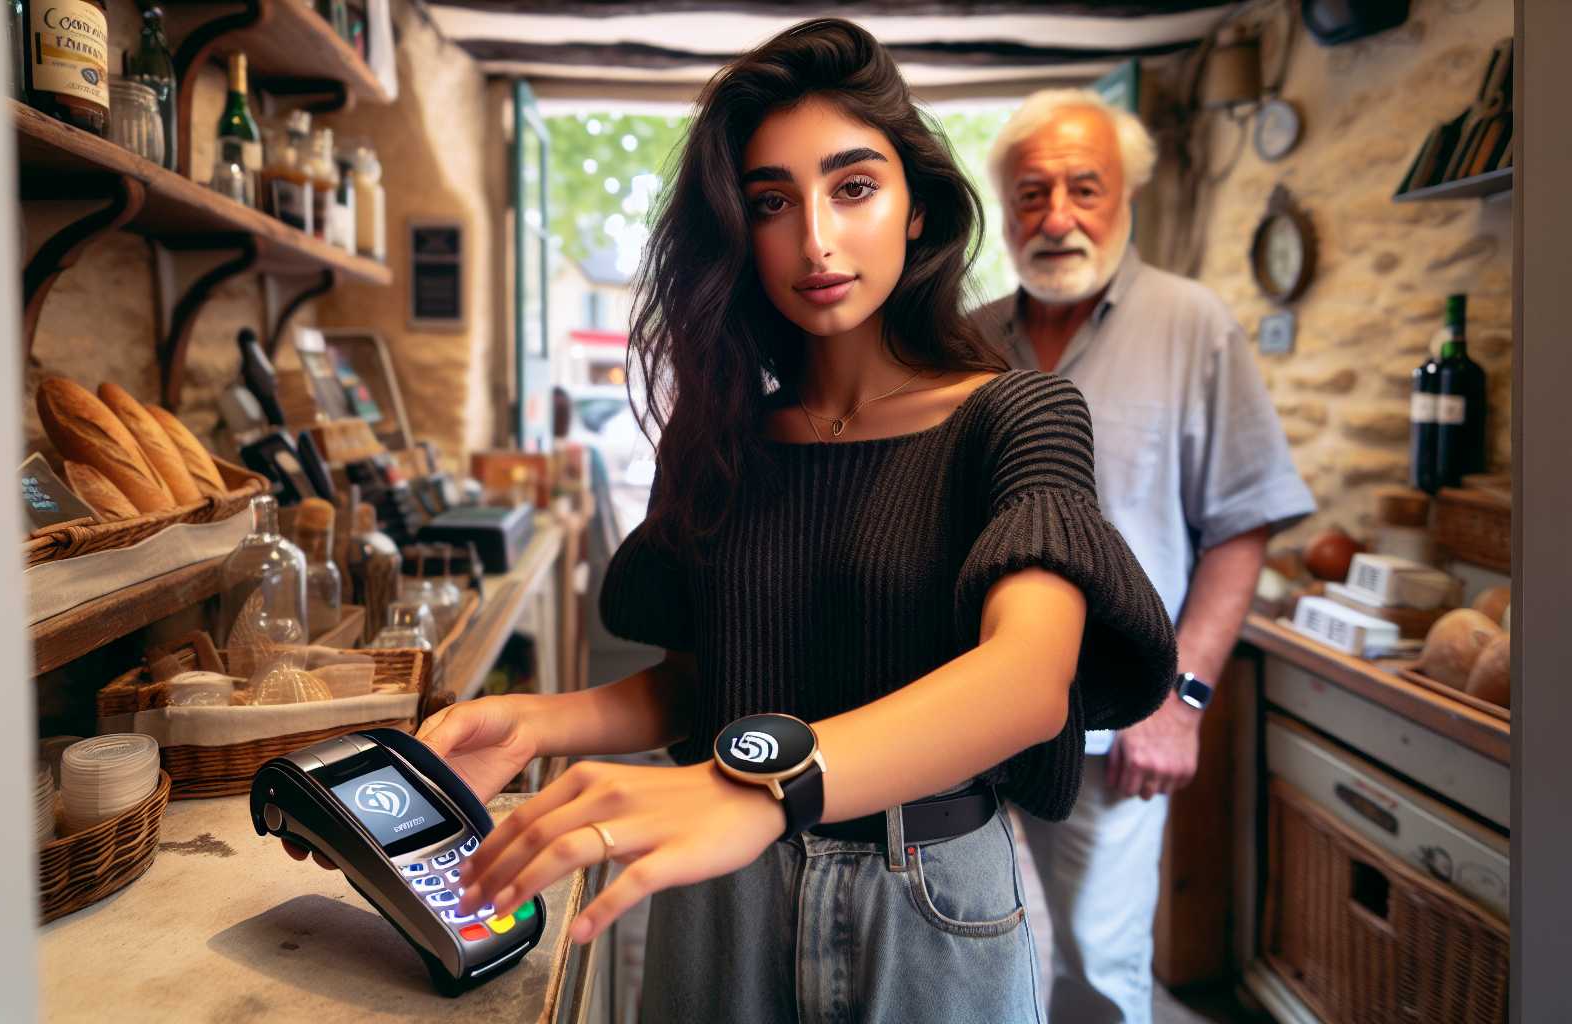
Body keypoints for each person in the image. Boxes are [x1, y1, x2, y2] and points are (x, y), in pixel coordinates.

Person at [291, 23, 1176, 1021]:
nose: (815, 238)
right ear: (737, 232)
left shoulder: (1017, 415)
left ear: (916, 207)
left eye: (852, 187)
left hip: (924, 895)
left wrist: (762, 791)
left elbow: (1024, 682)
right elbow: (711, 681)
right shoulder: (722, 435)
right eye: (771, 203)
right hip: (720, 896)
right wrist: (546, 718)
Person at [972, 89, 1315, 1023]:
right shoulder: (965, 340)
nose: (1057, 216)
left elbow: (1241, 524)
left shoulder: (1193, 323)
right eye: (1031, 194)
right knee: (964, 952)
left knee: (1095, 963)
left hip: (1115, 719)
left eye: (1085, 188)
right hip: (968, 719)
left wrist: (1183, 699)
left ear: (1126, 197)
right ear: (1003, 211)